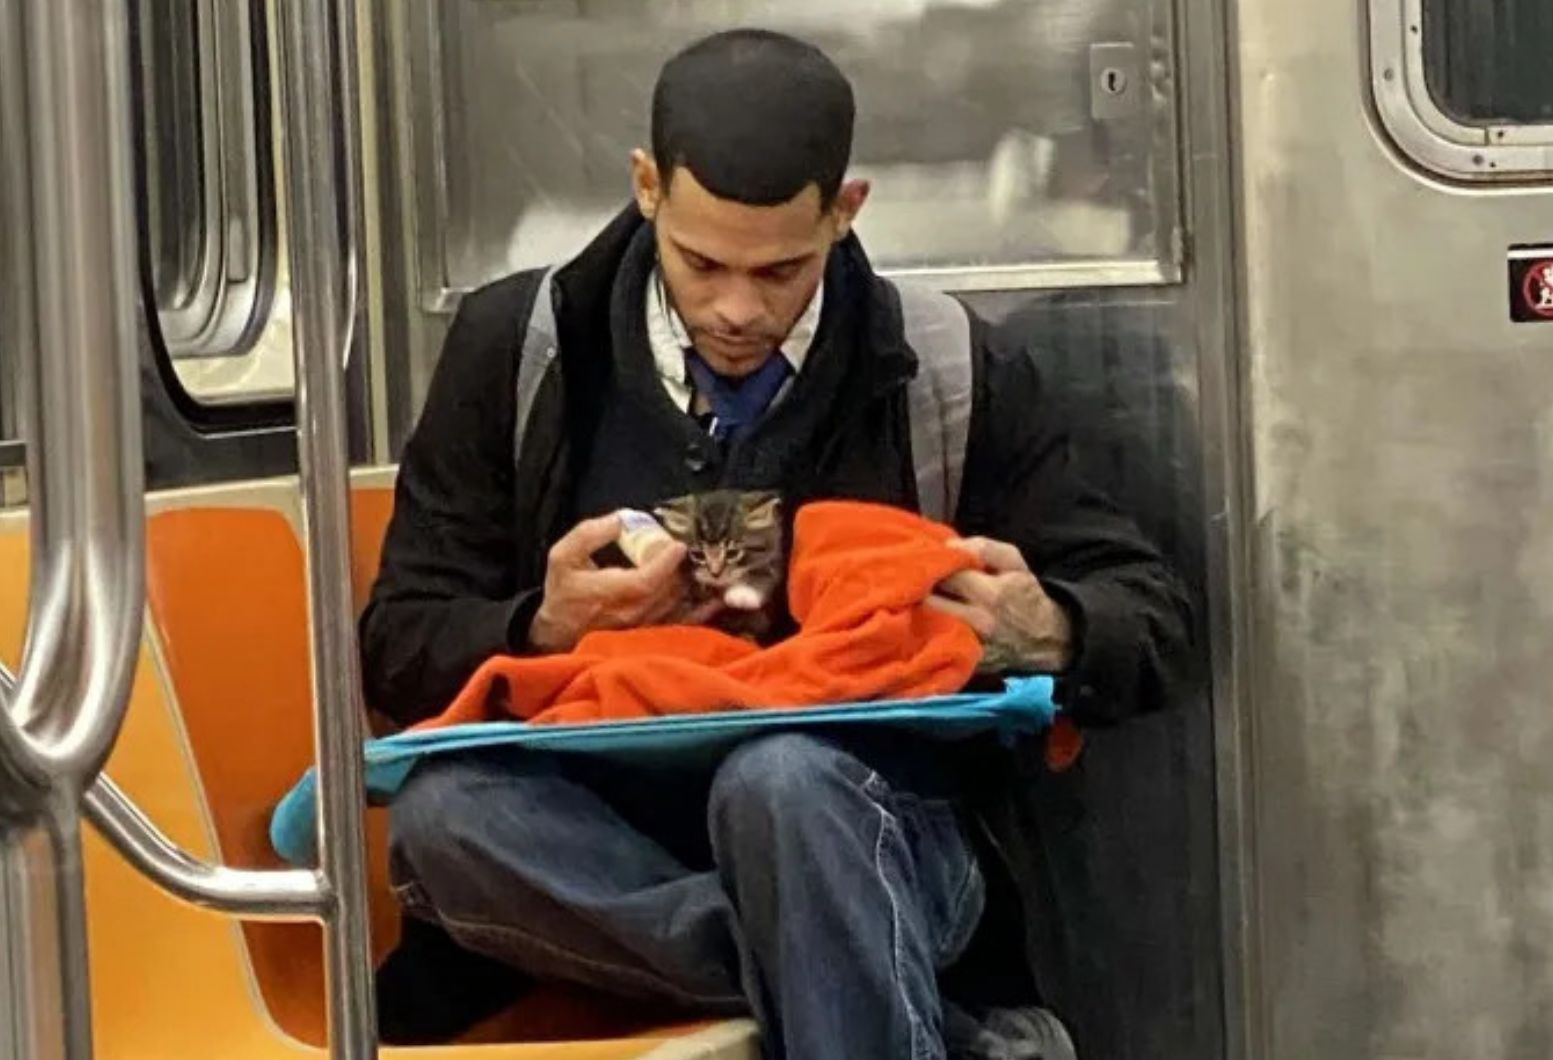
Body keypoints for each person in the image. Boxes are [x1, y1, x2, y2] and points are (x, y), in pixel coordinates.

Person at [361, 28, 1195, 1060]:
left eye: (783, 269)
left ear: (847, 211)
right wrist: (542, 622)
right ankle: (935, 1026)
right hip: (595, 850)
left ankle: (848, 956)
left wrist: (1047, 628)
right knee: (444, 822)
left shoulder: (944, 367)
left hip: (876, 825)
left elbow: (1149, 611)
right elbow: (395, 645)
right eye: (701, 262)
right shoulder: (518, 351)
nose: (737, 308)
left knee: (785, 783)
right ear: (645, 190)